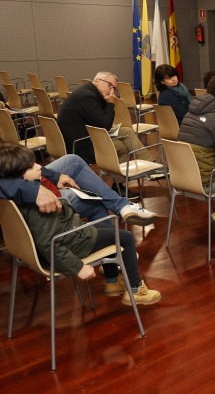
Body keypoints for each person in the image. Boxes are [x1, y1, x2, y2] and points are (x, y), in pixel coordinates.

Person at [0, 144, 161, 305]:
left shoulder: (20, 196)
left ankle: (113, 280)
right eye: (31, 166)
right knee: (126, 237)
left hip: (69, 235)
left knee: (105, 228)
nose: (39, 167)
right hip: (71, 243)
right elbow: (48, 243)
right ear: (17, 178)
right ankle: (136, 289)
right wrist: (77, 267)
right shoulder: (41, 203)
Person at [57, 72, 156, 195]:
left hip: (85, 136)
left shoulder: (88, 91)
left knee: (127, 131)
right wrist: (110, 103)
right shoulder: (87, 96)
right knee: (124, 147)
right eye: (109, 85)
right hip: (81, 145)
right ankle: (123, 185)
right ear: (97, 81)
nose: (111, 90)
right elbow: (104, 124)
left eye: (114, 88)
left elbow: (99, 120)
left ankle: (151, 164)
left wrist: (106, 105)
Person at [0, 153, 160, 227]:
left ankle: (122, 206)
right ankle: (111, 257)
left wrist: (53, 176)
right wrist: (30, 188)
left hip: (12, 179)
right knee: (96, 200)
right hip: (13, 193)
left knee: (73, 161)